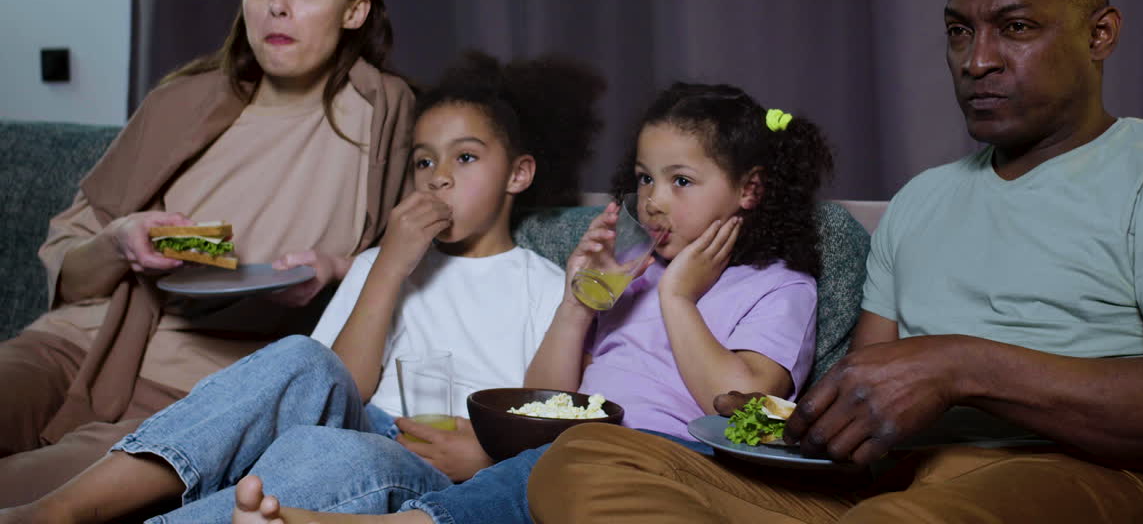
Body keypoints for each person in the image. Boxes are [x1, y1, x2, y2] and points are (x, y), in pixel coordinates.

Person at [523, 0, 1143, 524]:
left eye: (1014, 28)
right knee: (587, 460)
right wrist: (778, 422)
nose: (977, 60)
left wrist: (962, 366)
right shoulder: (924, 200)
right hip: (887, 492)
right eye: (958, 31)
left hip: (1095, 484)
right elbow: (864, 402)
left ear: (1100, 33)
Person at [0, 51, 606, 524]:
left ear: (518, 174)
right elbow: (337, 380)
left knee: (342, 457)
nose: (439, 178)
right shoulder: (383, 261)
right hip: (350, 426)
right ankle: (62, 509)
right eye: (424, 162)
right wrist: (389, 265)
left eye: (465, 159)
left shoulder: (546, 286)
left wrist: (486, 456)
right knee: (297, 359)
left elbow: (540, 415)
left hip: (439, 467)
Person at [226, 81, 835, 524]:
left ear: (750, 189)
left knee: (562, 460)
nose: (652, 201)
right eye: (645, 179)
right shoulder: (635, 276)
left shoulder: (778, 286)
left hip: (676, 460)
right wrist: (578, 303)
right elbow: (545, 399)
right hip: (579, 448)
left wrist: (680, 298)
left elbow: (744, 409)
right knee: (556, 455)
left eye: (681, 181)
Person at [0, 0, 418, 505]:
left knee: (27, 497)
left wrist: (335, 272)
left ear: (354, 12)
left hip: (198, 389)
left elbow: (417, 254)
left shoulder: (382, 114)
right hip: (70, 343)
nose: (277, 4)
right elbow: (71, 272)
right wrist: (119, 241)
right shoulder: (182, 101)